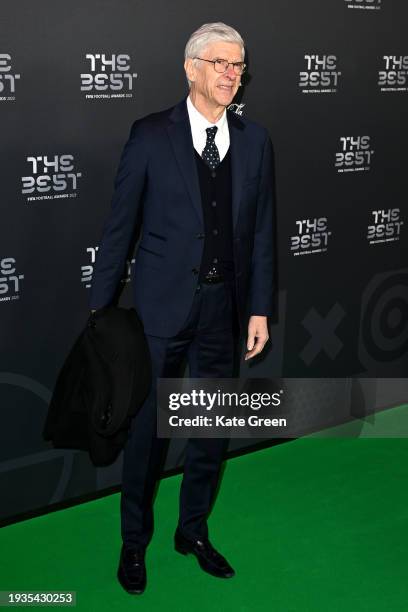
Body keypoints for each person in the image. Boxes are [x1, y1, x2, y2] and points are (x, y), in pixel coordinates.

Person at [89, 21, 275, 594]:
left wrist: (259, 309)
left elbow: (263, 232)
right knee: (147, 436)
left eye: (238, 65)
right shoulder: (150, 136)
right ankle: (133, 543)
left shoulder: (254, 140)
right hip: (159, 314)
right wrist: (100, 314)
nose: (230, 74)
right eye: (219, 63)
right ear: (191, 68)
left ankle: (191, 530)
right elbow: (119, 229)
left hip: (224, 311)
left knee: (210, 432)